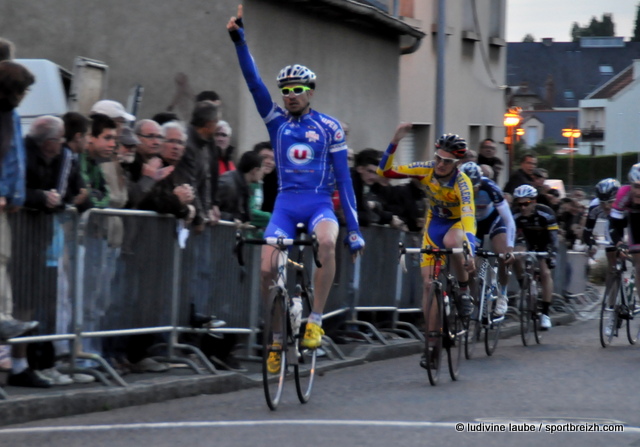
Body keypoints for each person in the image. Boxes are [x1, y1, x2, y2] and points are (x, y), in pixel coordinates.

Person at [227, 5, 364, 373]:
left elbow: (345, 180)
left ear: (311, 92)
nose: (290, 95)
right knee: (267, 267)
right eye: (286, 90)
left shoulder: (330, 128)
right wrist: (240, 41)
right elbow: (254, 83)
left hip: (319, 204)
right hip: (286, 206)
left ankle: (316, 319)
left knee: (326, 242)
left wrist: (355, 230)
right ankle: (273, 339)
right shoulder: (277, 123)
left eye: (298, 89)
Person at [377, 124, 476, 369]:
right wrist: (395, 141)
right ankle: (431, 344)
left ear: (457, 164)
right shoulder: (425, 169)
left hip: (455, 225)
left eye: (447, 161)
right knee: (428, 285)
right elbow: (384, 172)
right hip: (434, 226)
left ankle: (463, 290)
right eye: (438, 158)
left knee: (454, 243)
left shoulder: (463, 183)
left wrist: (469, 250)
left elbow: (468, 217)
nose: (440, 164)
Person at [0, 60, 44, 388]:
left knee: (3, 268)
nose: (25, 96)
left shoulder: (10, 116)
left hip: (5, 206)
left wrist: (14, 196)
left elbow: (14, 159)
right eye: (23, 90)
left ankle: (4, 325)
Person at [460, 162, 515, 316]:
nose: (472, 192)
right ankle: (471, 298)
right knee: (470, 265)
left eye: (475, 188)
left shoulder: (490, 187)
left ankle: (503, 294)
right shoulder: (456, 187)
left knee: (503, 255)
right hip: (473, 224)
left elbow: (509, 220)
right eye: (468, 188)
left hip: (493, 221)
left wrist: (510, 248)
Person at [511, 184, 559, 330]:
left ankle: (545, 314)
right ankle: (523, 285)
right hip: (527, 240)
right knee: (515, 256)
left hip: (544, 241)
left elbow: (553, 238)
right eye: (519, 204)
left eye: (526, 203)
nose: (523, 207)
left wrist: (552, 253)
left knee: (545, 272)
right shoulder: (515, 214)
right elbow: (511, 237)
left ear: (534, 201)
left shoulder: (546, 213)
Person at [609, 164, 640, 304]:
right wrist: (619, 243)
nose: (639, 192)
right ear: (630, 185)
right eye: (636, 186)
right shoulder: (624, 193)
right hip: (631, 218)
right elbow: (614, 225)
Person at [217, 151, 263, 225]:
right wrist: (232, 219)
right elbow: (210, 209)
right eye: (261, 170)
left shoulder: (244, 186)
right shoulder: (228, 184)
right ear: (255, 170)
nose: (262, 173)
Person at [253, 141, 277, 213]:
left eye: (273, 159)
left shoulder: (277, 182)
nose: (269, 162)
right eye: (265, 157)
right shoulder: (247, 178)